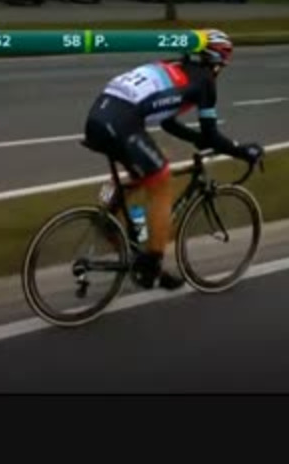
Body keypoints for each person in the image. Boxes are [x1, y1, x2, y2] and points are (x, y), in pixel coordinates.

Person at [82, 28, 264, 290]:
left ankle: (112, 219)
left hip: (99, 117)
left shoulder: (173, 66)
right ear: (216, 62)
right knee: (162, 181)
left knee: (152, 165)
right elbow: (212, 136)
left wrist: (197, 139)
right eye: (223, 65)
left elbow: (168, 122)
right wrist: (243, 150)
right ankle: (152, 266)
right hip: (122, 123)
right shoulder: (205, 81)